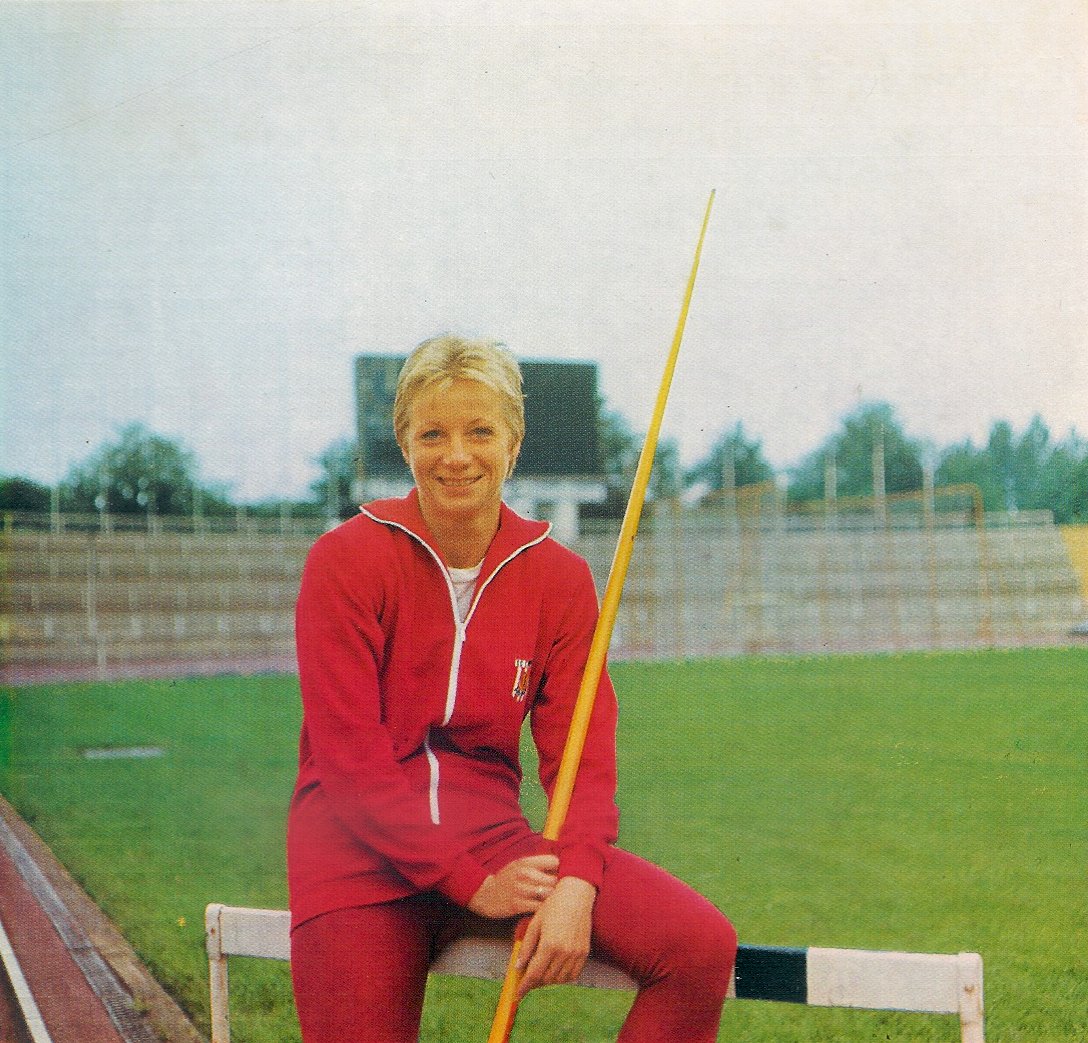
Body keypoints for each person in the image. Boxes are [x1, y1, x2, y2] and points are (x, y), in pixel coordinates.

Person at [287, 334, 737, 1042]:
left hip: (493, 841)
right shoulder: (344, 560)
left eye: (480, 432)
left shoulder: (559, 578)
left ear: (514, 443)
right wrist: (470, 884)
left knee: (698, 946)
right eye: (432, 434)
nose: (457, 456)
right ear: (404, 443)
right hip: (356, 858)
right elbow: (351, 763)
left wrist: (577, 880)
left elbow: (581, 755)